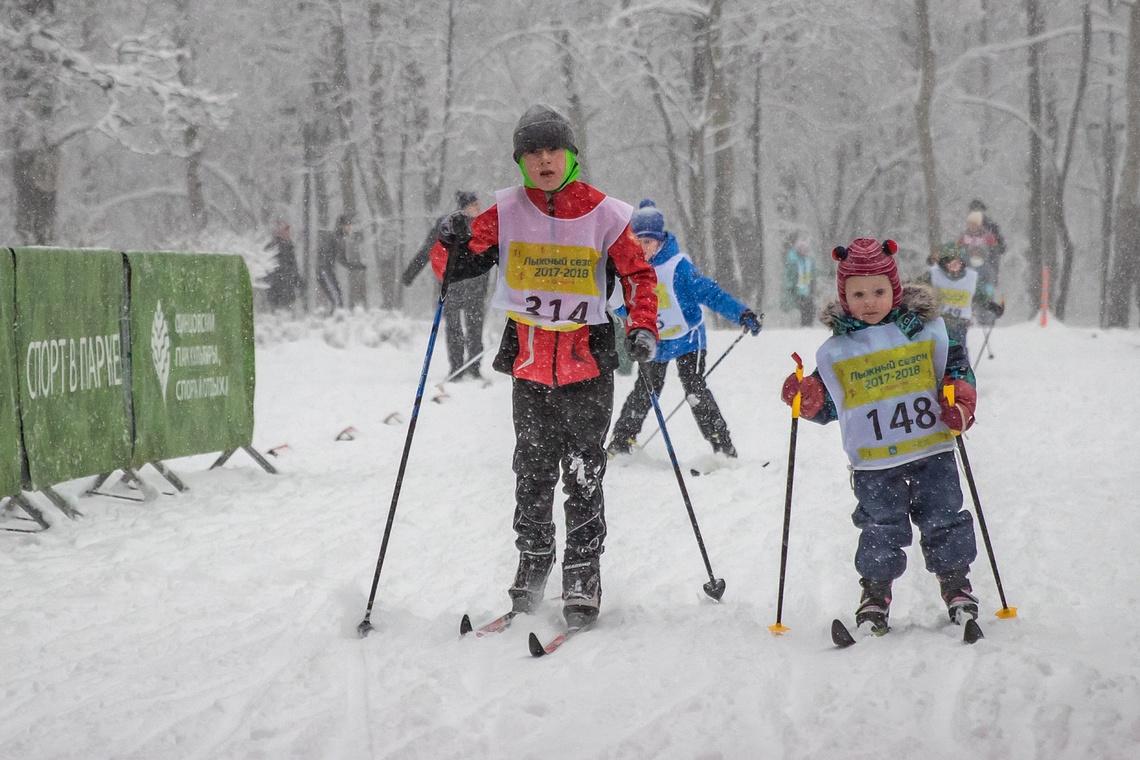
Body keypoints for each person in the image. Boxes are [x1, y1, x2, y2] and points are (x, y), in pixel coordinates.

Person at [428, 104, 658, 630]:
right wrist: (449, 238)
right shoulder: (507, 211)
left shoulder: (607, 214)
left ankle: (582, 573)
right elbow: (457, 266)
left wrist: (644, 326)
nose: (545, 160)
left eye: (554, 150)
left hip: (588, 365)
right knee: (530, 474)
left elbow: (639, 276)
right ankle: (532, 567)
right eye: (533, 152)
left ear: (571, 155)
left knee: (583, 472)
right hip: (530, 366)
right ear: (521, 161)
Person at [779, 237, 980, 636]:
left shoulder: (927, 332)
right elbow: (833, 404)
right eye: (858, 294)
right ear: (844, 296)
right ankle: (875, 595)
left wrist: (959, 404)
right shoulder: (838, 351)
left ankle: (957, 585)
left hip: (931, 450)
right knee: (879, 530)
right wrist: (808, 399)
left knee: (944, 520)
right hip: (875, 463)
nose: (869, 301)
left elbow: (957, 373)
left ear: (895, 290)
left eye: (878, 291)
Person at [606, 199, 761, 459]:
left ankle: (722, 446)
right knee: (644, 390)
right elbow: (624, 307)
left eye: (648, 242)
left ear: (660, 240)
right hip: (654, 340)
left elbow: (712, 294)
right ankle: (621, 442)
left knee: (694, 389)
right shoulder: (631, 270)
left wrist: (742, 313)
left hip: (688, 338)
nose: (643, 248)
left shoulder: (679, 268)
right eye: (638, 242)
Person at [403, 191, 489, 379]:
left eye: (478, 204)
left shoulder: (484, 224)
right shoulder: (447, 224)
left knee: (475, 327)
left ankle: (475, 367)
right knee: (454, 326)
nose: (478, 207)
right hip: (452, 284)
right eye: (474, 204)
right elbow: (428, 248)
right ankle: (456, 367)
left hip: (476, 286)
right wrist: (410, 274)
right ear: (464, 206)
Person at [919, 242, 1004, 350]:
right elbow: (917, 288)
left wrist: (992, 306)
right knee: (938, 349)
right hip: (938, 321)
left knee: (958, 349)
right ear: (944, 263)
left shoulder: (970, 278)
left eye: (956, 262)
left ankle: (960, 365)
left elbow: (979, 296)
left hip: (959, 323)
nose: (953, 265)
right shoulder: (934, 275)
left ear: (962, 263)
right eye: (949, 262)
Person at [958, 201, 1005, 323]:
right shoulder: (964, 236)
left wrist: (995, 269)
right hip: (969, 266)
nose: (972, 225)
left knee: (987, 289)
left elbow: (996, 252)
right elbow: (958, 250)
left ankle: (988, 316)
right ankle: (969, 315)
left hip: (986, 267)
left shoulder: (988, 234)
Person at [316, 214, 366, 312]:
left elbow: (343, 261)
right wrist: (323, 266)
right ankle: (335, 320)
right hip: (324, 271)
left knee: (337, 296)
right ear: (341, 226)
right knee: (336, 298)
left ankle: (334, 318)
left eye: (349, 225)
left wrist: (357, 266)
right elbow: (323, 252)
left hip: (329, 271)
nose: (349, 227)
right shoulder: (333, 237)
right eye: (347, 225)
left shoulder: (340, 240)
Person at [264, 219, 304, 311]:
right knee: (279, 309)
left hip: (286, 286)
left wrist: (298, 282)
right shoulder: (274, 246)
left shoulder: (289, 246)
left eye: (288, 230)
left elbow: (293, 266)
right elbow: (268, 267)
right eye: (285, 230)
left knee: (286, 309)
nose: (288, 233)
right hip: (278, 286)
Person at [781, 236, 816, 327]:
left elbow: (814, 273)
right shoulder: (793, 262)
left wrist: (828, 273)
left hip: (807, 290)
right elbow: (788, 275)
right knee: (802, 308)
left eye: (806, 249)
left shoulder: (808, 261)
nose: (805, 251)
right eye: (803, 248)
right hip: (797, 290)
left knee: (811, 307)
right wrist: (790, 286)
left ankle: (808, 326)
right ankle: (803, 326)